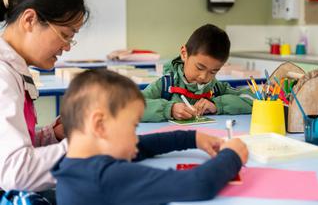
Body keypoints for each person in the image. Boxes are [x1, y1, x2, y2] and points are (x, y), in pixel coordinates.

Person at [52, 69, 248, 205]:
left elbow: (143, 146)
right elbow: (198, 183)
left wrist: (193, 137)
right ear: (99, 125)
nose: (136, 136)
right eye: (133, 126)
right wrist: (232, 155)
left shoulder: (76, 163)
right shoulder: (105, 178)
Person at [0, 0, 89, 191]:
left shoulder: (14, 69)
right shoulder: (3, 77)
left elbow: (13, 149)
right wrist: (88, 145)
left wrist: (54, 135)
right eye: (65, 35)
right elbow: (16, 172)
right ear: (29, 19)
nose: (67, 47)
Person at [142, 24, 255, 122]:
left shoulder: (215, 87)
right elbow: (131, 105)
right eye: (200, 67)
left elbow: (255, 100)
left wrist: (218, 105)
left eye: (213, 71)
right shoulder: (165, 85)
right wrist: (169, 109)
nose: (204, 77)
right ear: (184, 54)